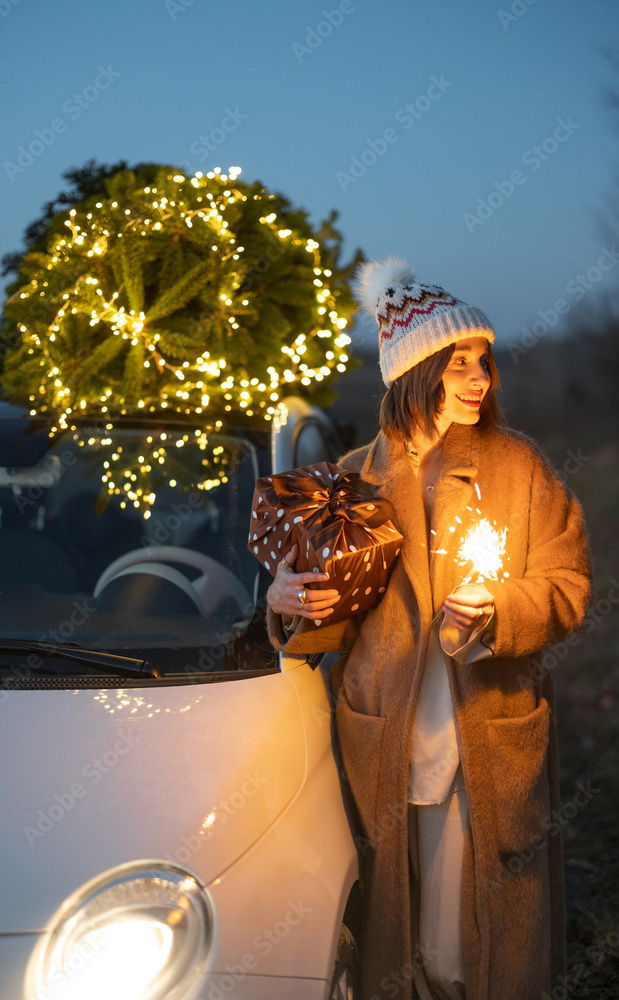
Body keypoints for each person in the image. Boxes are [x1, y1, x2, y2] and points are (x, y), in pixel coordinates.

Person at [265, 258, 592, 1000]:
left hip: (488, 730)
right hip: (384, 735)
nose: (480, 378)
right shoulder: (349, 481)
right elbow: (316, 620)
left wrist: (500, 614)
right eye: (458, 364)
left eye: (483, 361)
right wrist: (286, 600)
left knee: (473, 946)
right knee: (394, 930)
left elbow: (569, 588)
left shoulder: (521, 470)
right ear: (414, 374)